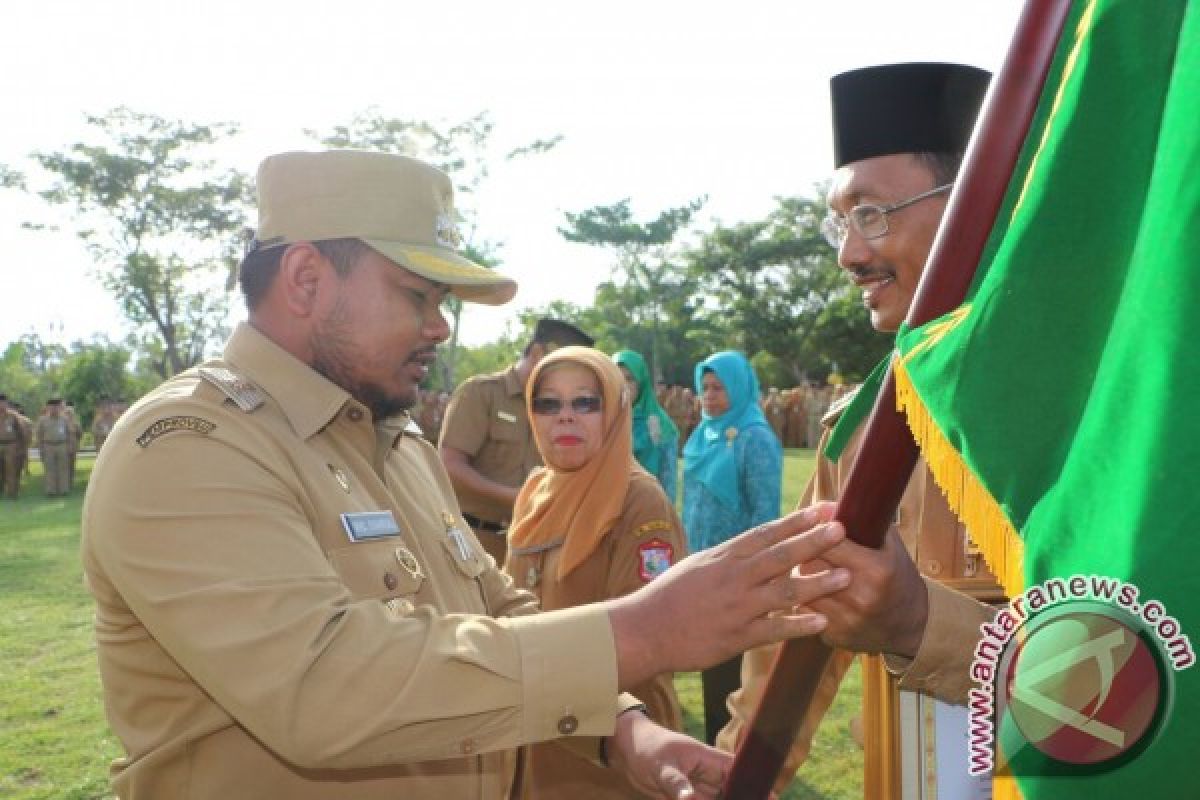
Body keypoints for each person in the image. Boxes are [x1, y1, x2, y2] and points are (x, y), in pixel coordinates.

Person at [81, 149, 853, 800]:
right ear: (308, 280)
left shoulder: (394, 441)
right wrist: (643, 631)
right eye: (417, 294)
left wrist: (623, 728)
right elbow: (322, 686)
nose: (439, 326)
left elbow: (495, 607)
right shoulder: (189, 446)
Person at [718, 62, 1004, 791]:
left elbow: (1138, 665)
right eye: (840, 223)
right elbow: (795, 647)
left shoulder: (1100, 412)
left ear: (980, 202)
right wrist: (736, 774)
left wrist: (918, 624)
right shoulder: (863, 431)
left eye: (872, 214)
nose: (849, 255)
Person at [505, 346, 688, 798]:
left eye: (586, 402)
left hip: (615, 742)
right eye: (548, 403)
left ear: (615, 410)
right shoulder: (536, 490)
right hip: (534, 735)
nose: (565, 417)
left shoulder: (638, 502)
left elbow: (647, 637)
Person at [682, 350, 783, 745]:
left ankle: (735, 760)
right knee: (712, 664)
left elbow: (765, 515)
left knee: (738, 673)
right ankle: (716, 752)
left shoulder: (756, 439)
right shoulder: (702, 434)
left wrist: (753, 573)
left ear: (739, 388)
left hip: (738, 575)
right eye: (704, 388)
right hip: (700, 568)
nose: (709, 396)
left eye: (719, 387)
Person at [439, 318, 594, 565]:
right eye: (561, 369)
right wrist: (516, 497)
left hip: (534, 547)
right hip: (473, 541)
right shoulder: (482, 393)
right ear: (536, 353)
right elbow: (449, 465)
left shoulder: (561, 409)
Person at [613, 349, 679, 502]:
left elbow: (667, 479)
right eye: (617, 378)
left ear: (641, 382)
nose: (623, 385)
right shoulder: (601, 420)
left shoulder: (658, 423)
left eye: (629, 379)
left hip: (647, 505)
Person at [35, 398, 71, 496]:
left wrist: (70, 446)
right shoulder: (42, 420)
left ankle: (64, 489)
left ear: (60, 407)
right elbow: (39, 435)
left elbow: (69, 433)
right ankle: (51, 490)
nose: (54, 409)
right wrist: (40, 448)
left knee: (63, 468)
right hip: (48, 445)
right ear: (47, 407)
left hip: (62, 445)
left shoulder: (65, 419)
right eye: (52, 406)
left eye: (56, 406)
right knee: (49, 468)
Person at [0, 393, 25, 499]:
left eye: (3, 402)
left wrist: (20, 447)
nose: (1, 405)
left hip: (11, 445)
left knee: (11, 470)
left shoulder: (13, 415)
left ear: (6, 403)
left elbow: (21, 432)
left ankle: (12, 493)